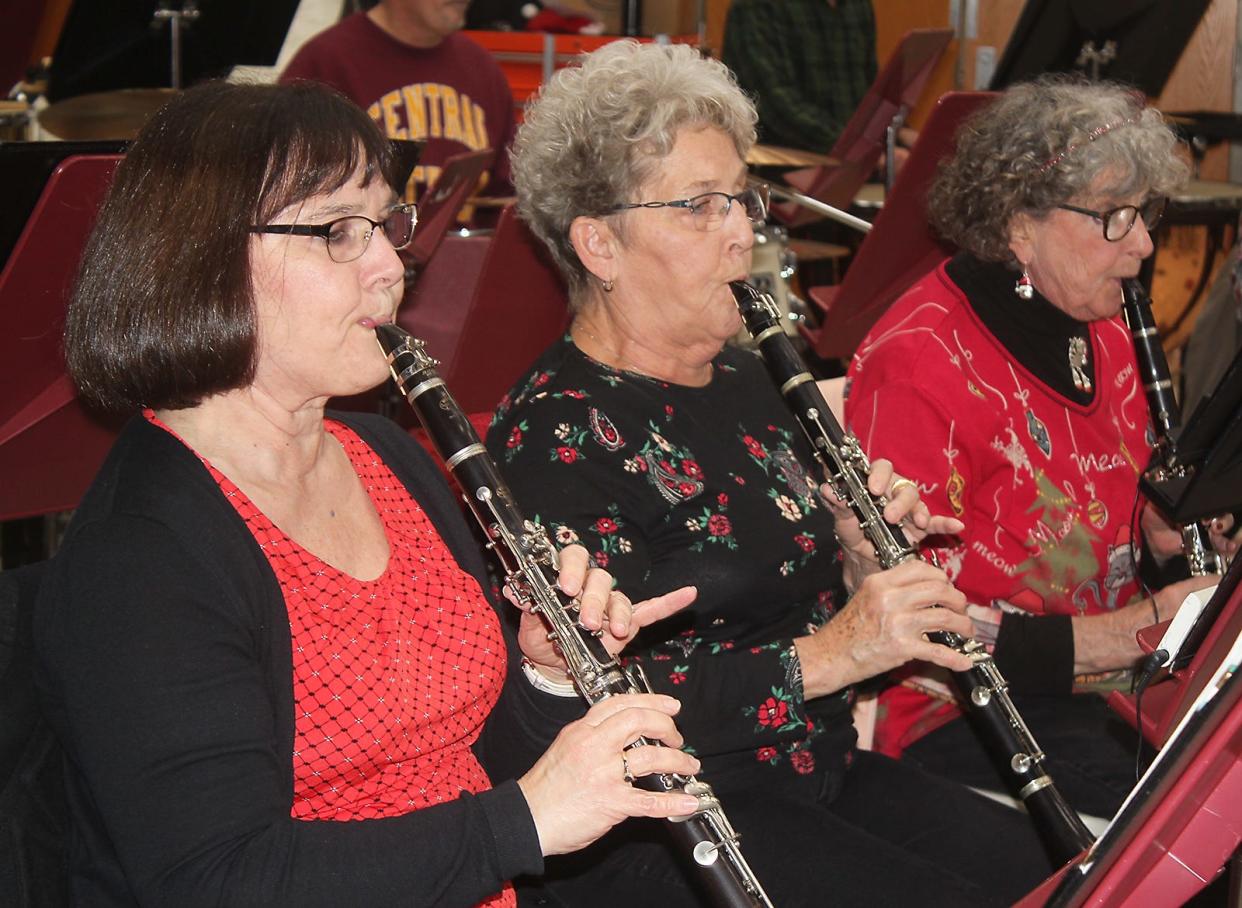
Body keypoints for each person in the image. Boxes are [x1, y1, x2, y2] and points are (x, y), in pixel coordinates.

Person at [32, 80, 706, 907]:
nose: (393, 265)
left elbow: (475, 763)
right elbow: (214, 879)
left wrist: (547, 673)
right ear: (202, 259)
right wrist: (525, 822)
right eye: (337, 233)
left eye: (385, 225)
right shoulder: (140, 557)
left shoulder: (385, 454)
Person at [485, 39, 1056, 906]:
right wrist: (836, 652)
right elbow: (606, 697)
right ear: (598, 243)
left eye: (739, 199)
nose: (743, 232)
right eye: (700, 207)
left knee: (1074, 877)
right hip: (674, 821)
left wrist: (864, 554)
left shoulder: (755, 379)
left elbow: (794, 593)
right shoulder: (554, 437)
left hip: (815, 771)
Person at [843, 76, 1233, 819]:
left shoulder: (1107, 326)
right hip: (965, 709)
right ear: (1020, 226)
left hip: (1118, 687)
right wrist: (1130, 634)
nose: (1145, 245)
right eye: (1115, 218)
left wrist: (1159, 539)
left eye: (1146, 212)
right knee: (1199, 818)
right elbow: (920, 634)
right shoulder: (920, 365)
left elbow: (1102, 532)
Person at [281, 0, 515, 213]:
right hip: (359, 251)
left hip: (465, 254)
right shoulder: (324, 63)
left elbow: (506, 191)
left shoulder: (482, 68)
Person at [722, 0, 877, 154]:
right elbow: (775, 104)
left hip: (856, 164)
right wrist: (859, 148)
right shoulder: (756, 6)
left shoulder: (858, 5)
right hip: (783, 166)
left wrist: (891, 135)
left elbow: (872, 89)